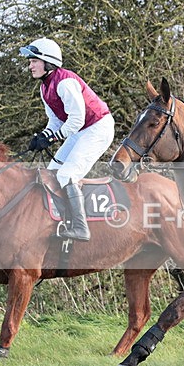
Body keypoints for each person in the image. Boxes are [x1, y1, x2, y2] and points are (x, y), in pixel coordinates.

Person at [20, 37, 115, 241]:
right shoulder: (44, 88)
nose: (30, 66)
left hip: (98, 127)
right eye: (30, 62)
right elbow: (55, 120)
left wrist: (53, 137)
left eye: (34, 61)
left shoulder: (65, 82)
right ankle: (60, 220)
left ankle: (81, 228)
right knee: (52, 173)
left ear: (47, 62)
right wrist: (44, 135)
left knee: (67, 175)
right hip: (81, 130)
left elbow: (77, 119)